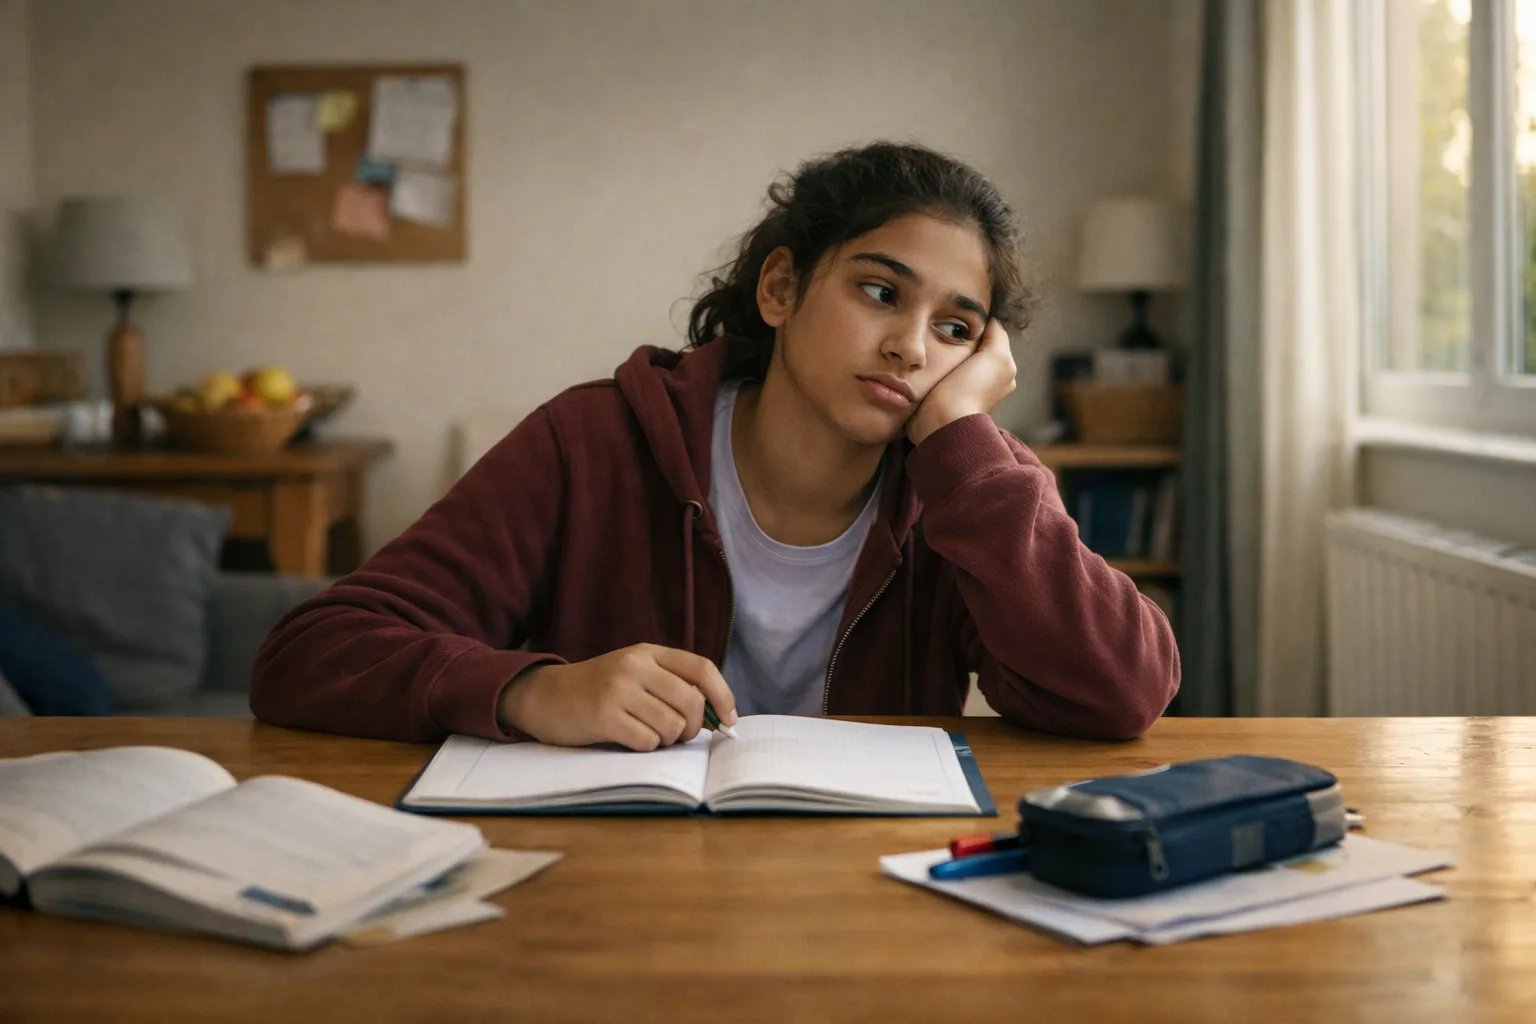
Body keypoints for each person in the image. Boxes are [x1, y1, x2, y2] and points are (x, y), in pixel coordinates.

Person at [250, 141, 1179, 750]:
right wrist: (530, 691)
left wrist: (969, 445)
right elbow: (311, 653)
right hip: (609, 886)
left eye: (955, 327)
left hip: (871, 891)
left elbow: (1123, 692)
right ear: (780, 290)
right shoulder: (593, 442)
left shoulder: (967, 489)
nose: (910, 346)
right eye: (880, 293)